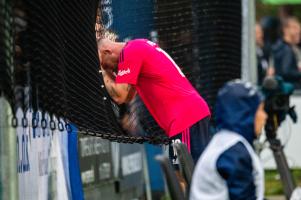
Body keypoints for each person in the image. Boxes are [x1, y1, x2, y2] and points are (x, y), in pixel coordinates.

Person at [97, 37, 211, 168]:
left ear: (107, 52)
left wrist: (102, 72)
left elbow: (120, 94)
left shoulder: (130, 52)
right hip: (188, 116)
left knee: (186, 173)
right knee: (184, 174)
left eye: (106, 65)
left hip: (186, 118)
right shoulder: (136, 48)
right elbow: (125, 97)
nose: (109, 69)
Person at [190, 80, 267, 200]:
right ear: (246, 113)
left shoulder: (226, 142)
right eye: (261, 110)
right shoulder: (234, 153)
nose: (264, 116)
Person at [272, 17, 301, 89]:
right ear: (285, 30)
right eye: (295, 28)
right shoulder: (286, 49)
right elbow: (286, 71)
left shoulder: (279, 46)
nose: (299, 31)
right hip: (292, 90)